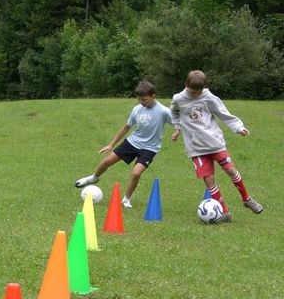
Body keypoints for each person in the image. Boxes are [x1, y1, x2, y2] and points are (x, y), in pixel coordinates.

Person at [170, 70, 263, 222]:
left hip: (215, 143)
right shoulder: (178, 99)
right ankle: (224, 212)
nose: (195, 94)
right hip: (196, 148)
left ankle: (247, 199)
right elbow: (174, 112)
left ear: (203, 88)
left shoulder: (209, 97)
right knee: (209, 179)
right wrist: (177, 127)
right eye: (193, 91)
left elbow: (223, 113)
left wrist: (238, 127)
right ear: (186, 85)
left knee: (231, 170)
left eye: (198, 92)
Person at [75, 80, 172, 208]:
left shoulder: (163, 111)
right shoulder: (137, 109)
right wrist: (111, 144)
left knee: (136, 173)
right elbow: (126, 127)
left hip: (149, 148)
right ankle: (94, 178)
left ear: (153, 96)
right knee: (106, 161)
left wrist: (177, 130)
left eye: (144, 99)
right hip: (132, 142)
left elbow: (177, 123)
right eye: (139, 99)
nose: (142, 102)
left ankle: (126, 199)